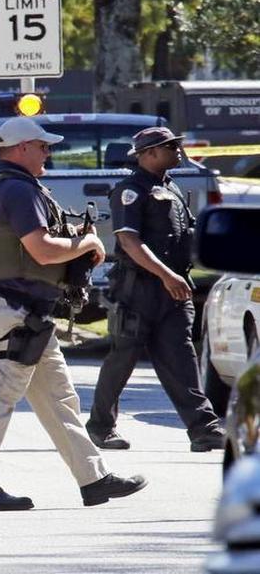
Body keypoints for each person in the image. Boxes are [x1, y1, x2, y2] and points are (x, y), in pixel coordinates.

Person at [0, 116, 147, 511]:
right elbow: (42, 249)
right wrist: (85, 242)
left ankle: (94, 480)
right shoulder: (17, 190)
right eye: (43, 146)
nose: (49, 153)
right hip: (16, 309)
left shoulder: (4, 185)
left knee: (60, 397)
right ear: (22, 148)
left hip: (24, 310)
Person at [86, 127, 225, 452]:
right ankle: (100, 427)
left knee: (182, 357)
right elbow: (128, 241)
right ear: (148, 154)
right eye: (169, 146)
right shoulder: (131, 191)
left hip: (172, 289)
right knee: (123, 357)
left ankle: (204, 429)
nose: (177, 150)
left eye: (176, 145)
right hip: (140, 290)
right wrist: (165, 276)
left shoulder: (170, 187)